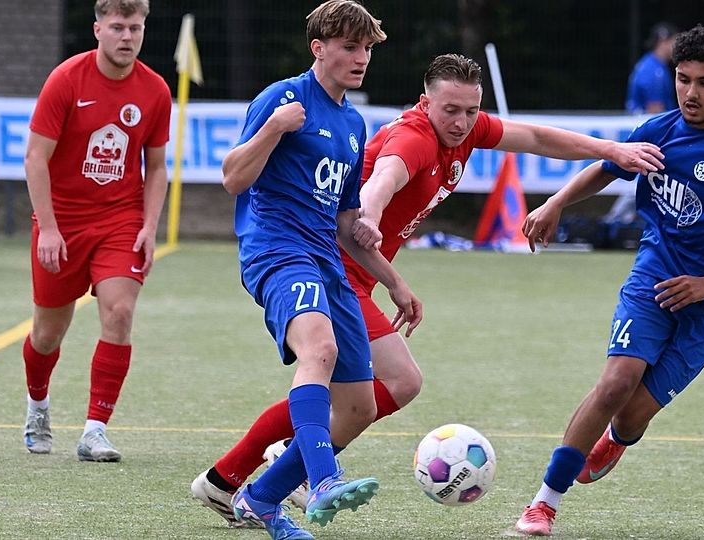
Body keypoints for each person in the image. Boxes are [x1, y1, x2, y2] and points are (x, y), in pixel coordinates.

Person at [191, 52, 665, 529]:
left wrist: (610, 150)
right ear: (426, 102)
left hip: (358, 272)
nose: (462, 123)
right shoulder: (415, 138)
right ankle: (279, 471)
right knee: (373, 380)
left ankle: (232, 477)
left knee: (391, 386)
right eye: (450, 111)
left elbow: (536, 137)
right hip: (334, 266)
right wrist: (371, 217)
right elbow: (383, 179)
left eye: (471, 111)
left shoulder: (466, 128)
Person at [514, 25, 704, 536]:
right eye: (683, 80)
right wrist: (554, 203)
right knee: (616, 382)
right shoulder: (662, 129)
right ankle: (544, 502)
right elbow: (610, 166)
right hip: (657, 275)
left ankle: (618, 438)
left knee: (634, 414)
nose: (691, 93)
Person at [202, 3, 416, 539]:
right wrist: (274, 128)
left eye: (366, 48)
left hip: (326, 257)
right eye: (349, 46)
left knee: (360, 405)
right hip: (277, 251)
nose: (360, 57)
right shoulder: (283, 99)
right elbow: (232, 177)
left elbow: (346, 223)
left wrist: (393, 280)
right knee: (318, 350)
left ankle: (262, 499)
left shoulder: (353, 122)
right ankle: (322, 482)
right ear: (318, 48)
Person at [21, 0, 170, 463]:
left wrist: (148, 226)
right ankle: (38, 406)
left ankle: (95, 430)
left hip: (119, 221)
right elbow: (35, 158)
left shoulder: (155, 90)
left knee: (120, 312)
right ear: (98, 29)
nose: (128, 37)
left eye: (136, 28)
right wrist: (47, 227)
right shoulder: (67, 79)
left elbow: (158, 166)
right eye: (119, 27)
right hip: (61, 224)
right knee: (48, 333)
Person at [607, 22, 679, 226]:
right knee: (643, 177)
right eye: (674, 41)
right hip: (653, 133)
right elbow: (655, 110)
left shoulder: (651, 66)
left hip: (645, 130)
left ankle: (618, 222)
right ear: (664, 41)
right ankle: (614, 222)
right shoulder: (653, 70)